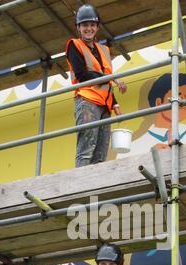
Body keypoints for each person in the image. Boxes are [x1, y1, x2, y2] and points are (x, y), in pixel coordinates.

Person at [66, 4, 127, 167]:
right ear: (78, 28)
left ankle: (95, 191)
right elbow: (82, 75)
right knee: (86, 150)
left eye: (92, 25)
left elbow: (105, 80)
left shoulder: (104, 50)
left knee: (100, 154)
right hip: (87, 101)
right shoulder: (74, 45)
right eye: (85, 25)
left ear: (97, 27)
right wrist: (112, 78)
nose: (89, 28)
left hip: (105, 106)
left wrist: (115, 104)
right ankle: (81, 188)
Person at [116, 73, 186, 159]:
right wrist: (150, 159)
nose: (185, 98)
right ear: (158, 102)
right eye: (179, 94)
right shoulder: (132, 149)